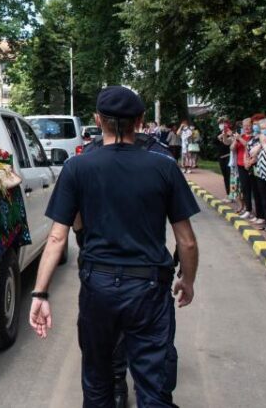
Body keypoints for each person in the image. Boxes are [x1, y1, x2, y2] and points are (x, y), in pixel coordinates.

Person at [30, 86, 199, 407]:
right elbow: (187, 241)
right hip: (149, 287)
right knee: (154, 385)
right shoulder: (164, 167)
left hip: (99, 286)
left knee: (97, 381)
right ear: (140, 121)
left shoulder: (78, 167)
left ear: (97, 120)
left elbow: (57, 237)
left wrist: (40, 293)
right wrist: (187, 281)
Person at [233, 118, 256, 218]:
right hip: (240, 164)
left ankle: (256, 211)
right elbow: (232, 149)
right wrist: (235, 140)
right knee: (245, 188)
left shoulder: (254, 136)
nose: (246, 127)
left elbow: (248, 145)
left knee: (254, 189)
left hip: (251, 165)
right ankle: (248, 209)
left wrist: (240, 139)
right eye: (244, 125)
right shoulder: (241, 136)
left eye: (248, 125)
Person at [216, 118, 234, 199]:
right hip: (221, 157)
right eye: (220, 123)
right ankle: (228, 194)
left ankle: (232, 194)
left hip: (229, 156)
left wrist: (227, 134)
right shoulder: (218, 133)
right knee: (225, 176)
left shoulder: (231, 132)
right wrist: (220, 136)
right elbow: (214, 141)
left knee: (230, 176)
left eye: (223, 123)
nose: (222, 125)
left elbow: (228, 143)